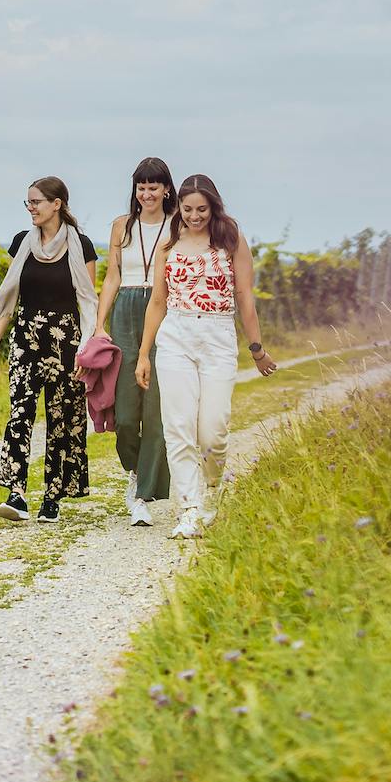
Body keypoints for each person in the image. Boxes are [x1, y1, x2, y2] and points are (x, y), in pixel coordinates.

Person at [136, 173, 277, 539]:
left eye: (202, 209)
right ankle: (190, 508)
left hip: (217, 336)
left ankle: (212, 490)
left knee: (213, 431)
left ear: (213, 207)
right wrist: (143, 355)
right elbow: (157, 302)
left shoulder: (231, 241)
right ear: (178, 208)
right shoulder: (168, 247)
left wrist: (257, 349)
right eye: (188, 209)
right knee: (178, 426)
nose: (195, 216)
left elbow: (245, 297)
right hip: (176, 337)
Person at [0, 176, 99, 523]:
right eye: (28, 203)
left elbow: (88, 302)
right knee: (20, 412)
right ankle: (16, 492)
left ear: (57, 204)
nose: (31, 208)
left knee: (60, 416)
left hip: (67, 339)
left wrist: (88, 348)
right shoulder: (22, 243)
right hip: (26, 336)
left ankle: (53, 496)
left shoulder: (82, 245)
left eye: (36, 202)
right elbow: (9, 295)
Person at [94, 157, 176, 525]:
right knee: (125, 414)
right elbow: (111, 276)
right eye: (141, 187)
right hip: (125, 308)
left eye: (153, 186)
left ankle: (143, 494)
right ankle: (133, 471)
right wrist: (99, 325)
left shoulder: (177, 226)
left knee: (156, 409)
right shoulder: (121, 226)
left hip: (163, 309)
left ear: (166, 189)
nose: (147, 193)